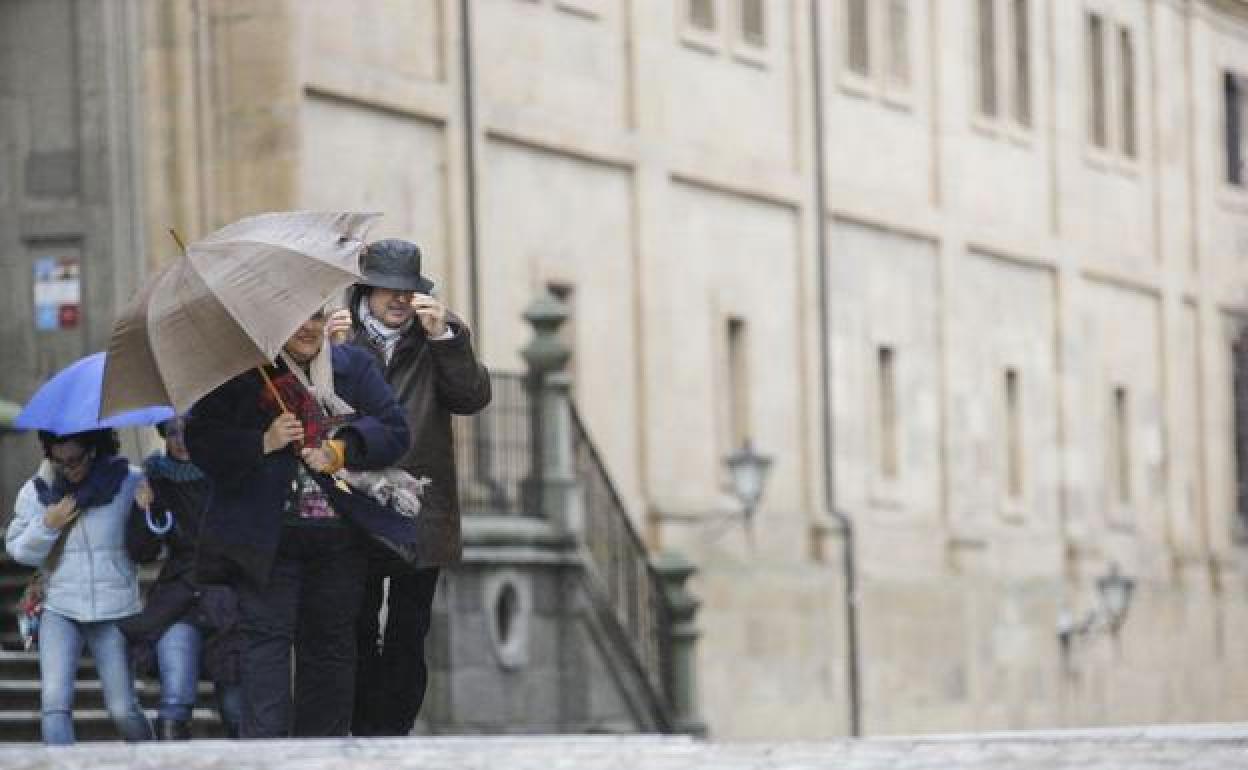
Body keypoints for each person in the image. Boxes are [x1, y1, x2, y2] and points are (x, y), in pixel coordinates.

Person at [186, 307, 411, 739]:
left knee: (330, 652)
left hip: (338, 540)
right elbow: (203, 443)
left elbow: (395, 430)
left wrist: (341, 450)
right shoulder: (241, 375)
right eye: (295, 318)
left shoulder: (353, 367)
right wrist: (262, 441)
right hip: (267, 545)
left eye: (316, 315)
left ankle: (322, 756)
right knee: (265, 648)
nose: (308, 326)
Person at [328, 239, 491, 736]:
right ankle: (364, 728)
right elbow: (317, 409)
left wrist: (446, 338)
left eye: (407, 290)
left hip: (420, 503)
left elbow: (471, 397)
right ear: (367, 290)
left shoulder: (440, 334)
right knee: (354, 626)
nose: (398, 300)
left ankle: (390, 736)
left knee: (408, 630)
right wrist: (328, 354)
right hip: (354, 501)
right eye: (387, 290)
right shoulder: (337, 336)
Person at [5, 428, 154, 745]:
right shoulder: (38, 490)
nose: (69, 468)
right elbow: (18, 551)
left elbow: (148, 548)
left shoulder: (129, 481)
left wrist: (148, 511)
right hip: (60, 608)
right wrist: (47, 525)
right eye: (60, 461)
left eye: (75, 460)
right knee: (54, 705)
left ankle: (153, 760)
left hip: (115, 610)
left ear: (94, 449)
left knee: (122, 709)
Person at [123, 416, 242, 739]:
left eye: (188, 431)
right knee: (175, 700)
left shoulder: (226, 474)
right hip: (178, 599)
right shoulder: (156, 480)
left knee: (235, 705)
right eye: (172, 432)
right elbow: (141, 551)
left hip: (226, 599)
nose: (181, 440)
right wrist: (142, 508)